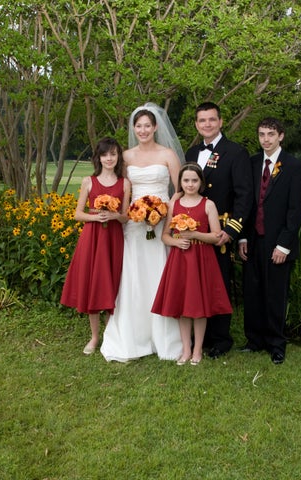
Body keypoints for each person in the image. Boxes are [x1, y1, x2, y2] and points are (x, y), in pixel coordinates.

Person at [100, 103, 184, 362]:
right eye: (139, 126)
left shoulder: (168, 154)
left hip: (161, 222)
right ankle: (133, 335)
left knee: (160, 273)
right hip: (134, 225)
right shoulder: (125, 157)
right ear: (133, 128)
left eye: (148, 125)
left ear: (156, 127)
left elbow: (180, 188)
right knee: (134, 274)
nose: (144, 130)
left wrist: (164, 212)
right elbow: (121, 187)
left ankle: (165, 336)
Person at [184, 102, 252, 359]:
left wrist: (232, 231)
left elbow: (244, 197)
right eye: (202, 120)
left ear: (221, 121)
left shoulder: (235, 152)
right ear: (196, 124)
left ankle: (221, 338)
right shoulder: (192, 152)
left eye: (212, 120)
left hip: (220, 231)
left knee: (218, 283)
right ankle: (200, 336)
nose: (207, 124)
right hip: (192, 229)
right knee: (195, 281)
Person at [238, 117, 301, 365]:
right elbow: (246, 203)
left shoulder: (295, 166)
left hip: (277, 241)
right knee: (252, 291)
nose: (265, 139)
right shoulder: (252, 163)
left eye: (270, 134)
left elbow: (296, 209)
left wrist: (284, 245)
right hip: (253, 239)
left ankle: (276, 344)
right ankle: (254, 340)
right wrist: (243, 237)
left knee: (275, 293)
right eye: (261, 134)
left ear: (281, 136)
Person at [151, 164, 232, 366]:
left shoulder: (208, 204)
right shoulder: (173, 206)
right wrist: (177, 241)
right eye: (186, 180)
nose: (190, 184)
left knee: (199, 306)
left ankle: (198, 350)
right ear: (180, 183)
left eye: (194, 180)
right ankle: (186, 349)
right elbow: (164, 236)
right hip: (180, 259)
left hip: (201, 259)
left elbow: (216, 236)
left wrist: (195, 234)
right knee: (183, 306)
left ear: (201, 183)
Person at [60, 137, 131, 355]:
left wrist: (115, 215)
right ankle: (94, 337)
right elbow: (77, 214)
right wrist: (95, 217)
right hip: (92, 238)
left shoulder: (125, 183)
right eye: (104, 154)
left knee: (113, 282)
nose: (109, 158)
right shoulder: (88, 182)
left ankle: (111, 334)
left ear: (118, 156)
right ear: (98, 158)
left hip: (114, 239)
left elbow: (126, 217)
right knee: (93, 283)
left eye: (113, 154)